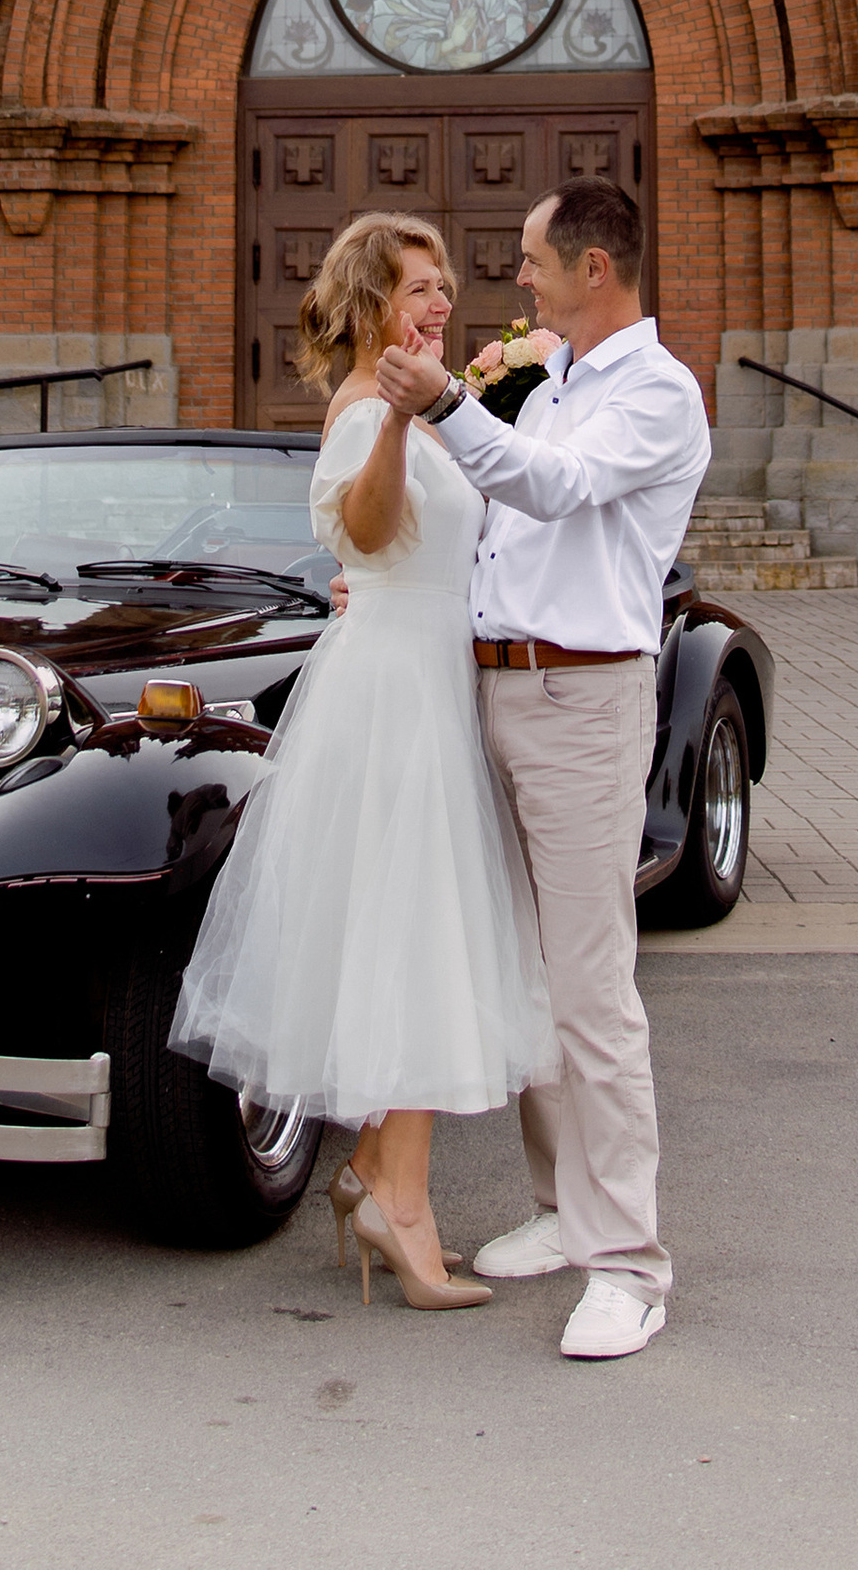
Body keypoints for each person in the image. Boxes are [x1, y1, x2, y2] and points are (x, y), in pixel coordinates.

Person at [170, 211, 552, 1309]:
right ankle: (400, 1206)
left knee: (418, 932)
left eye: (443, 285)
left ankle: (382, 1181)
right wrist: (391, 419)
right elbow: (371, 535)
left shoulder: (444, 408)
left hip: (434, 666)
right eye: (419, 286)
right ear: (369, 302)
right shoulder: (359, 413)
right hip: (390, 687)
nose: (441, 302)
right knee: (414, 931)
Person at [374, 177, 709, 1363]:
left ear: (593, 271)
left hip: (580, 698)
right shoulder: (558, 383)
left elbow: (554, 493)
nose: (516, 277)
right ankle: (565, 1211)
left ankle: (629, 1263)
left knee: (591, 987)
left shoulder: (657, 394)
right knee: (525, 976)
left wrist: (451, 403)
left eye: (530, 260)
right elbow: (498, 529)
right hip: (498, 686)